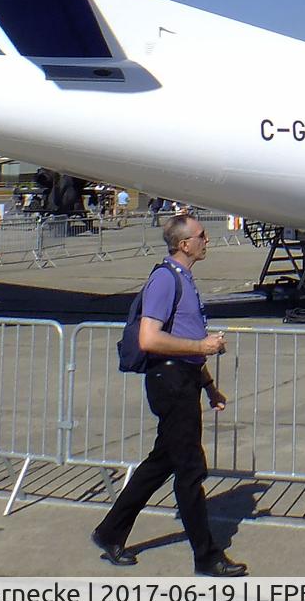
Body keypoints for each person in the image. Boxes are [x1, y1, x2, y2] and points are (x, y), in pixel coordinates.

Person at [90, 213, 247, 577]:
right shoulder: (164, 280)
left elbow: (188, 342)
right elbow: (149, 338)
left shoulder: (185, 279)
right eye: (202, 235)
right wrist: (201, 345)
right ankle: (207, 556)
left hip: (184, 379)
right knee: (191, 469)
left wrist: (208, 385)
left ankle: (110, 532)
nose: (207, 240)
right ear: (184, 244)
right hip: (169, 383)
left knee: (161, 462)